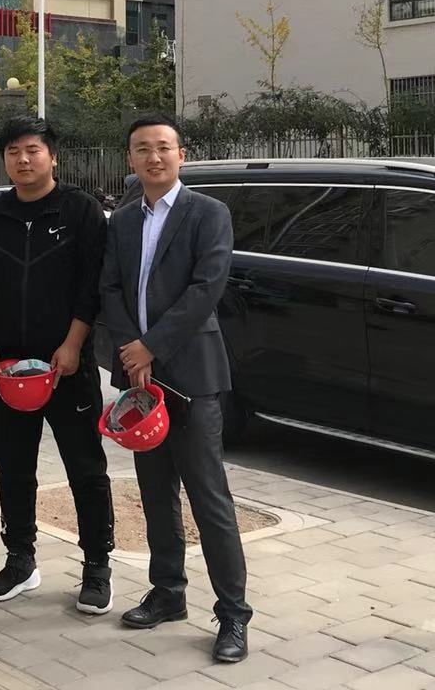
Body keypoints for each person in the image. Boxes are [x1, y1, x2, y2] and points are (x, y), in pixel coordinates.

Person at [101, 113, 252, 664]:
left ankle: (233, 614)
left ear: (181, 155)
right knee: (154, 491)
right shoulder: (122, 219)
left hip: (191, 375)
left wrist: (152, 346)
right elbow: (110, 288)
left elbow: (206, 288)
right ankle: (167, 592)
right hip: (138, 376)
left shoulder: (208, 213)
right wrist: (130, 350)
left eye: (163, 147)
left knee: (209, 497)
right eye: (142, 148)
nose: (154, 157)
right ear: (130, 159)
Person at [0, 117, 115, 609]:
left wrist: (73, 345)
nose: (23, 159)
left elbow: (92, 285)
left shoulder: (80, 209)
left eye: (32, 150)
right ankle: (19, 560)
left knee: (85, 467)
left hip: (67, 366)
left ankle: (97, 566)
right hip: (9, 368)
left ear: (53, 156)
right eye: (13, 152)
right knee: (13, 466)